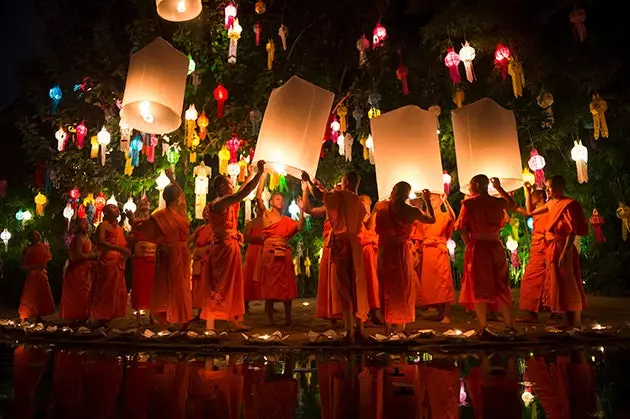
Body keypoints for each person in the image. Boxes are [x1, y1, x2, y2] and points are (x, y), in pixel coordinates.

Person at [303, 171, 368, 342]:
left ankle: (350, 332)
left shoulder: (339, 196)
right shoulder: (358, 202)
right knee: (358, 288)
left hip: (341, 244)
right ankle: (360, 329)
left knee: (344, 287)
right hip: (355, 244)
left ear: (345, 182)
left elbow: (319, 195)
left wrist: (308, 181)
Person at [202, 160, 265, 331]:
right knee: (220, 283)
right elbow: (240, 194)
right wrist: (258, 174)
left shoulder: (226, 201)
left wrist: (252, 173)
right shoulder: (219, 203)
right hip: (223, 247)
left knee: (234, 283)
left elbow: (240, 191)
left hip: (231, 245)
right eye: (230, 183)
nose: (232, 185)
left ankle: (233, 320)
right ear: (222, 187)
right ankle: (211, 324)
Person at [127, 168, 192, 325]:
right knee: (179, 286)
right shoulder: (178, 211)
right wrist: (172, 179)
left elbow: (144, 229)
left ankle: (169, 318)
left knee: (169, 285)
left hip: (170, 253)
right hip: (175, 253)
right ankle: (179, 318)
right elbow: (182, 195)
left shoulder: (159, 216)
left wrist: (133, 221)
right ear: (176, 198)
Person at [525, 175, 588, 330]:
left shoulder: (568, 204)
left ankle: (576, 322)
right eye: (546, 187)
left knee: (569, 283)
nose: (547, 190)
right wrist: (527, 192)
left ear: (560, 187)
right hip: (552, 246)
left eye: (550, 187)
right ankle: (568, 320)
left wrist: (565, 253)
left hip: (563, 246)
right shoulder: (551, 203)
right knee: (558, 283)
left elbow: (571, 231)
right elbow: (529, 212)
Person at [455, 175, 517, 333]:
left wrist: (468, 244)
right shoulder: (498, 202)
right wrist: (499, 188)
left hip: (478, 246)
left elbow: (463, 228)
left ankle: (483, 326)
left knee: (479, 285)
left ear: (476, 184)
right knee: (501, 284)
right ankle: (509, 325)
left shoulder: (469, 203)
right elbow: (513, 204)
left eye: (470, 186)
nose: (469, 189)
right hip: (495, 245)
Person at [374, 183, 435, 333]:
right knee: (402, 287)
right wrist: (427, 200)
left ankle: (388, 327)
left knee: (386, 286)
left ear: (394, 192)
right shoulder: (411, 210)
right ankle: (400, 329)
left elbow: (375, 228)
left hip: (384, 251)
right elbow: (431, 219)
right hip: (400, 250)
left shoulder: (381, 207)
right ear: (407, 195)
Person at [254, 171, 303, 326]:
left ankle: (289, 318)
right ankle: (270, 318)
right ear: (271, 201)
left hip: (284, 251)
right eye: (277, 198)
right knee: (270, 284)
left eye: (282, 199)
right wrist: (261, 176)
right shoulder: (266, 215)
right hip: (269, 253)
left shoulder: (287, 220)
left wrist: (302, 209)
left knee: (286, 284)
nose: (281, 201)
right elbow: (258, 198)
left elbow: (299, 227)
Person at [302, 181, 341, 329]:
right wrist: (305, 189)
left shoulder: (347, 204)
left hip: (343, 242)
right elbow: (308, 209)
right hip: (329, 244)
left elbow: (320, 194)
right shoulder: (328, 207)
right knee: (330, 278)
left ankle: (350, 316)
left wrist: (312, 185)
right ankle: (333, 316)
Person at [415, 193, 456, 324]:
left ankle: (447, 314)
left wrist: (446, 202)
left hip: (438, 250)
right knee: (431, 283)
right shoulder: (426, 217)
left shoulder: (444, 215)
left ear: (439, 201)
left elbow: (452, 217)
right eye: (430, 200)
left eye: (434, 200)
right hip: (427, 251)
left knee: (443, 281)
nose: (431, 202)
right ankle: (439, 311)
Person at [90, 204, 129, 323]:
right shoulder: (103, 226)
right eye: (114, 208)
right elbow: (101, 242)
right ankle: (100, 315)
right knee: (105, 288)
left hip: (118, 260)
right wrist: (119, 249)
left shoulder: (119, 228)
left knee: (116, 289)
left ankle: (111, 315)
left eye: (117, 208)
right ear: (106, 213)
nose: (117, 210)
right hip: (107, 260)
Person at [516, 183, 548, 323]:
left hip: (545, 248)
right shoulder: (538, 211)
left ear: (540, 196)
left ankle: (554, 312)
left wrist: (527, 191)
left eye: (533, 194)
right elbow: (523, 210)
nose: (531, 197)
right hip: (537, 248)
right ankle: (532, 313)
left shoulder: (549, 208)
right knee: (531, 281)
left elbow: (528, 212)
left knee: (546, 281)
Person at [60, 218, 97, 323]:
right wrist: (92, 255)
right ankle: (77, 317)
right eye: (83, 223)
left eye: (87, 223)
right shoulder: (77, 239)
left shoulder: (85, 238)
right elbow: (75, 257)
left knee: (86, 293)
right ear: (77, 225)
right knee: (79, 294)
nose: (87, 225)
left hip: (85, 270)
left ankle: (83, 316)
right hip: (77, 270)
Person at [128, 196, 156, 320]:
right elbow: (132, 236)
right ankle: (138, 314)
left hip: (152, 255)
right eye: (142, 205)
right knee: (139, 285)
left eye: (146, 206)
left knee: (152, 286)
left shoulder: (153, 221)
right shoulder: (136, 222)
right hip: (140, 257)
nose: (145, 208)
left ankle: (152, 315)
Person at [18, 231, 55, 322]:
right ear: (31, 237)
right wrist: (34, 266)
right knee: (29, 296)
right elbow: (22, 265)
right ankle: (24, 316)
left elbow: (48, 258)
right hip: (33, 275)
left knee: (41, 296)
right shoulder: (29, 249)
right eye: (35, 234)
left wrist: (43, 265)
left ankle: (39, 316)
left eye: (38, 234)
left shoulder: (43, 247)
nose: (37, 235)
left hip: (41, 274)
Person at [359, 194, 382, 325]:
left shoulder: (374, 216)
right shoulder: (358, 217)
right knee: (367, 283)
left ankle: (375, 312)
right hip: (365, 252)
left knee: (376, 283)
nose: (363, 204)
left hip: (375, 251)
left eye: (366, 202)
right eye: (361, 202)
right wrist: (374, 212)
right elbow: (368, 227)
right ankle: (365, 314)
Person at [190, 206, 212, 318]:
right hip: (198, 260)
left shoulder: (215, 228)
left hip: (207, 260)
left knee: (205, 285)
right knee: (197, 286)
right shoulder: (200, 228)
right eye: (204, 211)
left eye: (208, 211)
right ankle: (199, 310)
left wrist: (203, 250)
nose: (206, 213)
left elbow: (214, 244)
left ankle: (207, 311)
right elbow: (190, 239)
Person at [242, 210, 263, 313]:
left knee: (266, 276)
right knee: (248, 276)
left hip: (264, 250)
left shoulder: (268, 222)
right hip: (253, 251)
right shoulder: (251, 223)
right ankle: (245, 304)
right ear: (255, 210)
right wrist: (258, 239)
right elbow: (245, 238)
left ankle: (269, 305)